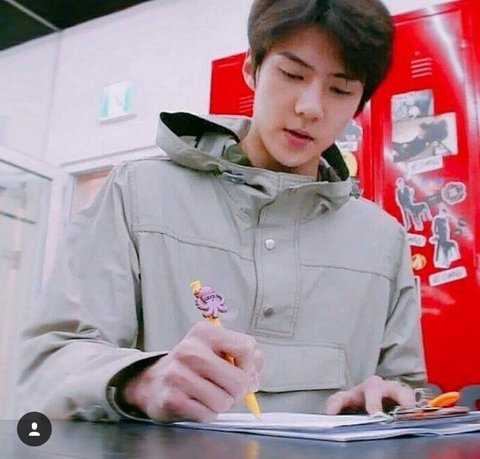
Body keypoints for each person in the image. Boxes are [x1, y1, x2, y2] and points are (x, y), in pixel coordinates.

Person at [19, 0, 425, 424]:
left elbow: (411, 391)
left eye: (340, 90)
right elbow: (47, 366)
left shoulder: (384, 239)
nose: (311, 107)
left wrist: (392, 398)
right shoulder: (138, 194)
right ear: (251, 68)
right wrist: (139, 381)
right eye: (292, 74)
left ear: (359, 104)